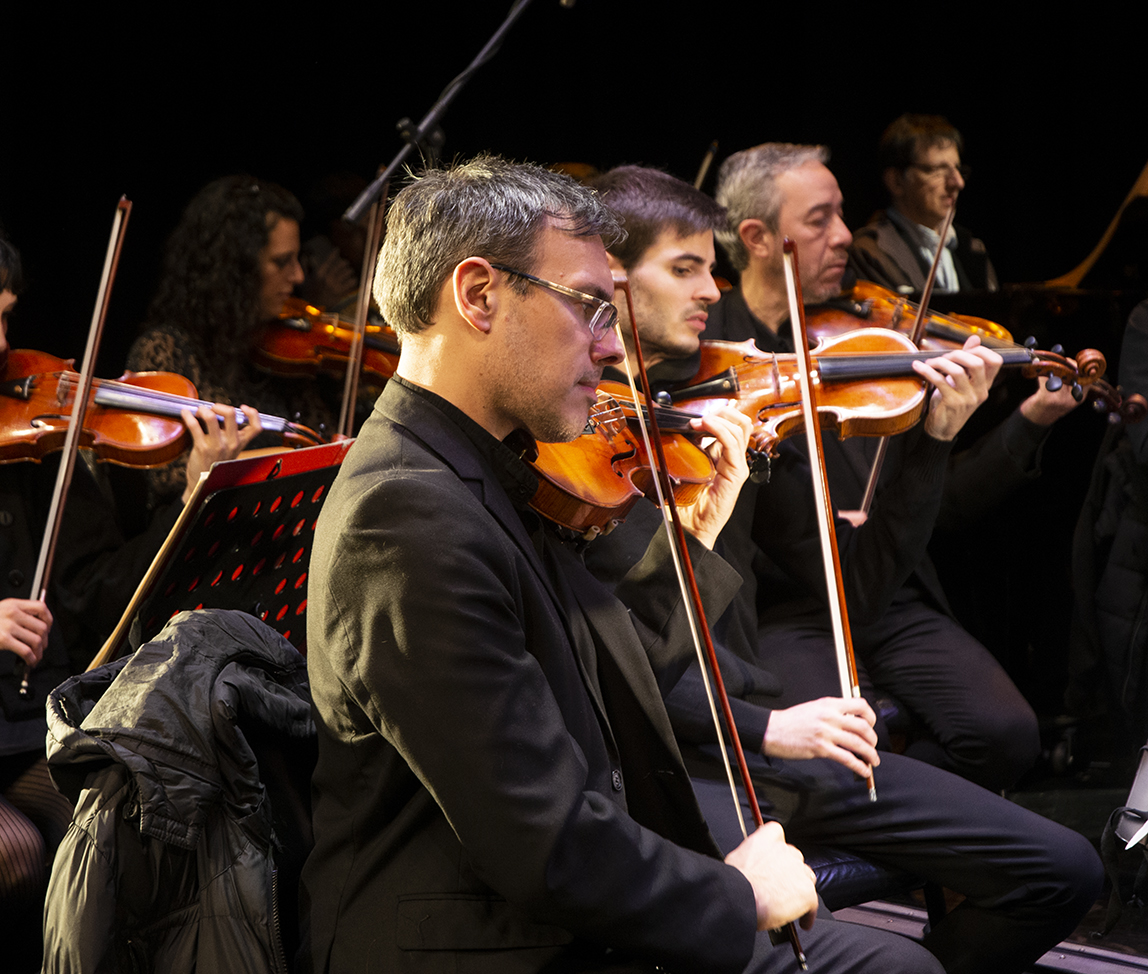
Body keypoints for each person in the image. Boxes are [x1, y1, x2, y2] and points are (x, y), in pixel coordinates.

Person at [303, 154, 963, 974]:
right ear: (478, 296)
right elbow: (543, 842)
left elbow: (608, 668)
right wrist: (738, 894)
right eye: (588, 307)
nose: (613, 348)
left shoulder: (489, 466)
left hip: (542, 907)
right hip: (481, 941)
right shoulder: (407, 518)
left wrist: (688, 537)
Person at [584, 162, 1102, 974]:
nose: (709, 289)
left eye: (709, 267)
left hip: (766, 735)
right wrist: (770, 726)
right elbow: (602, 655)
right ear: (608, 282)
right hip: (684, 755)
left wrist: (929, 445)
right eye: (684, 269)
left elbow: (856, 585)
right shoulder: (566, 435)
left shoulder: (743, 402)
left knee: (1066, 869)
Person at [0, 209, 257, 970]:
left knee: (136, 824)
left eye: (3, 315)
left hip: (9, 722)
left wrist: (192, 498)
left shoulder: (30, 445)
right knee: (12, 853)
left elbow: (99, 592)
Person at [703, 142, 1085, 791]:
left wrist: (952, 434)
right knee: (829, 759)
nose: (846, 237)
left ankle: (905, 815)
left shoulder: (866, 344)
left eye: (842, 216)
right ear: (757, 237)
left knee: (1007, 737)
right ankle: (897, 823)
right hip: (787, 609)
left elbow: (948, 506)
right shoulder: (710, 353)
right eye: (820, 219)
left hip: (887, 597)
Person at [126, 174, 332, 507]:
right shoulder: (166, 352)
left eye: (296, 259)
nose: (298, 276)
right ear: (235, 268)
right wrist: (281, 458)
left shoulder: (287, 354)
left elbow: (320, 439)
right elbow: (165, 476)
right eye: (281, 262)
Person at [849, 114, 998, 295]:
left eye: (957, 169)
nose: (957, 182)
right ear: (896, 181)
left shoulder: (972, 249)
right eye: (938, 170)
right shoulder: (869, 253)